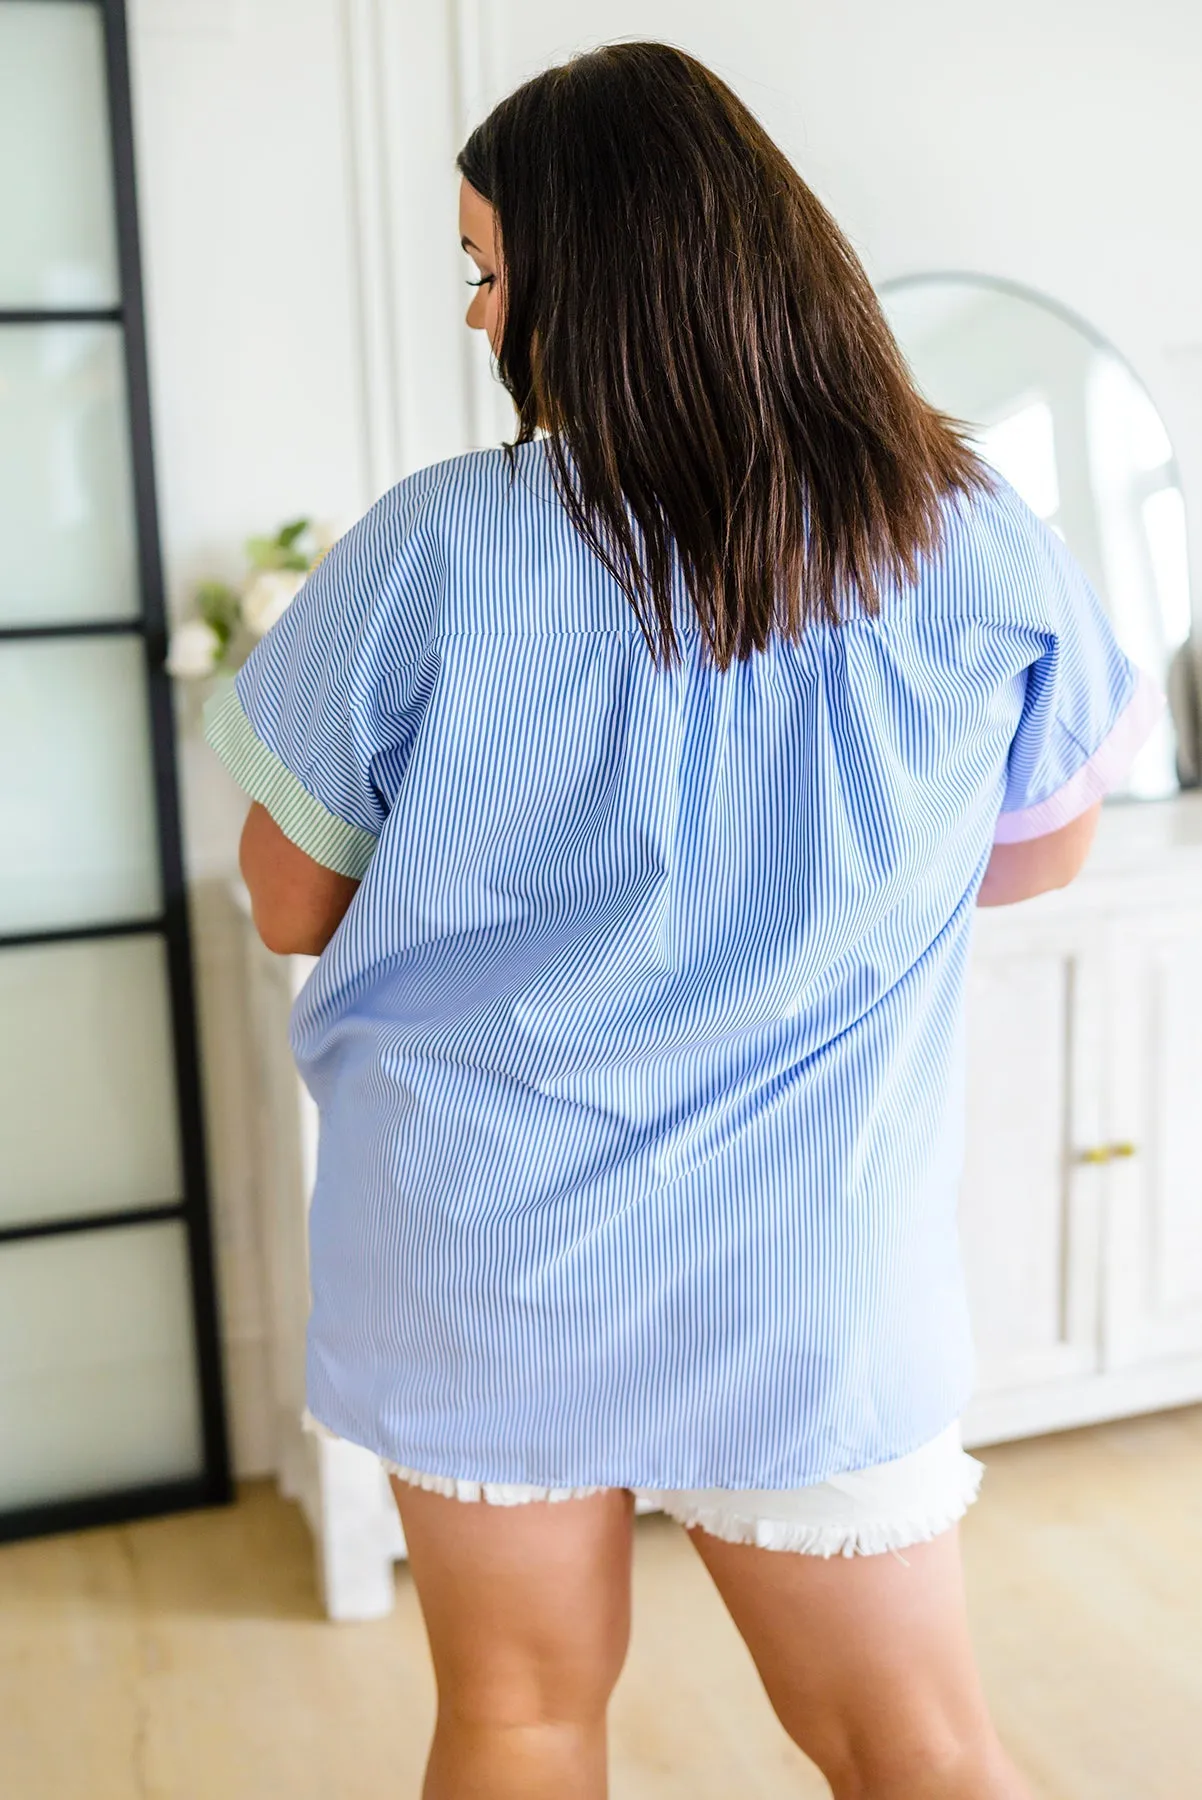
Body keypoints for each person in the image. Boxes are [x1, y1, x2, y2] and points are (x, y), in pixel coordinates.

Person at [206, 41, 1162, 1800]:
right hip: (811, 1250)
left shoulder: (438, 548)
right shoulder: (965, 539)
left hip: (481, 1239)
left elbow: (287, 901)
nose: (480, 318)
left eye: (492, 272)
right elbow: (1034, 856)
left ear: (608, 279)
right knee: (916, 1746)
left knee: (514, 1718)